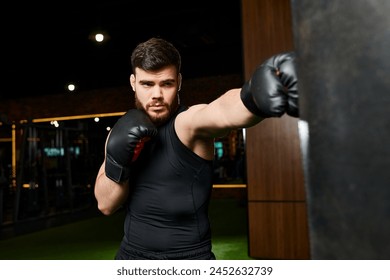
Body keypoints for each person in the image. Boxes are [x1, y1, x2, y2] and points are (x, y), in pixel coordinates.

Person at [94, 37, 298, 260]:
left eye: (167, 84)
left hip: (188, 260)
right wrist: (119, 160)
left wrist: (253, 95)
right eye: (147, 84)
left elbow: (221, 111)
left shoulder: (187, 124)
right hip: (130, 257)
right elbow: (105, 204)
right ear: (133, 82)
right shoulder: (121, 132)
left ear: (179, 82)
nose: (157, 95)